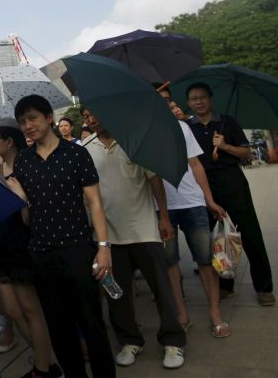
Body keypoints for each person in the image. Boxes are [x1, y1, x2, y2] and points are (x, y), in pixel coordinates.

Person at [12, 95, 115, 378]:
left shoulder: (76, 153)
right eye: (22, 122)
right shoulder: (23, 161)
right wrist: (21, 199)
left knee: (91, 322)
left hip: (78, 248)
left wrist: (103, 247)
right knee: (58, 326)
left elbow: (94, 202)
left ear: (49, 118)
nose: (28, 126)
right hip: (41, 252)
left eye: (32, 118)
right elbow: (27, 219)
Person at [82, 107, 186, 370]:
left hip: (144, 230)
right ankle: (130, 340)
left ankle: (173, 341)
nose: (91, 120)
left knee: (161, 289)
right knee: (117, 293)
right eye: (86, 116)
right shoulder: (84, 148)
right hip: (108, 237)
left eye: (95, 114)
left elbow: (154, 182)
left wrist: (163, 217)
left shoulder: (134, 141)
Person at [185, 82, 274, 306]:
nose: (199, 102)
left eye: (202, 97)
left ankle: (264, 288)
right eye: (194, 99)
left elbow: (246, 153)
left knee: (250, 235)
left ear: (210, 99)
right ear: (188, 103)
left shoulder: (227, 122)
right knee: (217, 238)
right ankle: (226, 284)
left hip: (233, 184)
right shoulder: (187, 128)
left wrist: (224, 146)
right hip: (205, 187)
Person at [156, 87, 230, 338]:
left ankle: (215, 313)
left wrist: (209, 200)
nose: (165, 105)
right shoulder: (142, 135)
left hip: (192, 202)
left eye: (167, 101)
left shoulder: (183, 128)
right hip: (161, 207)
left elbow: (196, 165)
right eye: (159, 101)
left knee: (205, 260)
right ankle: (181, 313)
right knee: (170, 264)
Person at [0, 122, 57, 378]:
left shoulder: (27, 167)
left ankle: (42, 367)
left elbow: (30, 216)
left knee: (30, 309)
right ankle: (45, 358)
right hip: (1, 244)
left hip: (22, 243)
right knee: (12, 311)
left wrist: (18, 194)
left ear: (10, 142)